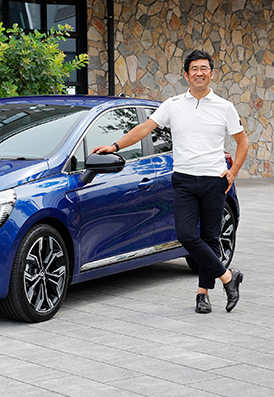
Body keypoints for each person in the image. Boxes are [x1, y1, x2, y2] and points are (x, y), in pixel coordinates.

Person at [92, 50, 249, 314]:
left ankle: (202, 294)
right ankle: (228, 277)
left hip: (214, 180)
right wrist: (115, 146)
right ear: (186, 75)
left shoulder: (225, 107)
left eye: (204, 68)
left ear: (212, 73)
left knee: (210, 238)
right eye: (194, 69)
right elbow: (144, 129)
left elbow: (243, 142)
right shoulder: (173, 105)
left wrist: (233, 172)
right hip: (184, 179)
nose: (199, 73)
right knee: (186, 235)